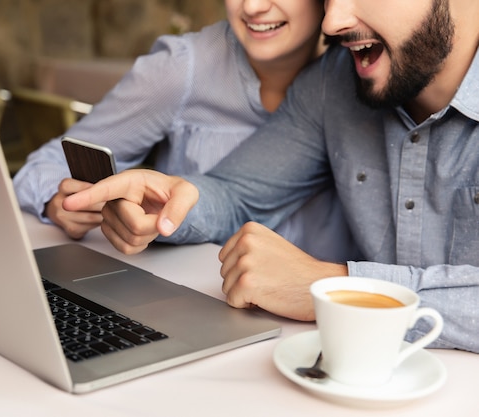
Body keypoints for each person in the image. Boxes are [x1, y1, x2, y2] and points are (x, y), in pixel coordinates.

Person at [63, 0, 479, 353]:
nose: (331, 21)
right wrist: (173, 199)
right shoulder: (334, 81)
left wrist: (335, 288)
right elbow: (237, 192)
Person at [13, 0, 359, 262]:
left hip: (329, 318)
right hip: (192, 295)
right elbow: (44, 165)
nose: (253, 7)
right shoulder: (181, 68)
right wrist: (58, 200)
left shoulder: (366, 75)